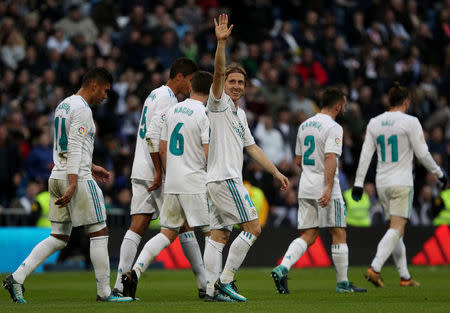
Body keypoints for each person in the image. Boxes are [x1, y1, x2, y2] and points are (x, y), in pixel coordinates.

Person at [2, 68, 133, 303]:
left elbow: (66, 146)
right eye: (105, 90)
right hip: (76, 178)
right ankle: (105, 292)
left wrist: (92, 165)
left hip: (57, 177)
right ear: (94, 85)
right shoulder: (83, 109)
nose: (105, 96)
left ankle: (17, 277)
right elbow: (73, 147)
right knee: (100, 231)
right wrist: (75, 182)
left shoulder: (63, 105)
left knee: (59, 237)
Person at [203, 14, 289, 302]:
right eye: (232, 81)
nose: (237, 86)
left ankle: (211, 287)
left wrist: (276, 172)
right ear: (224, 84)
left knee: (219, 235)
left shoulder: (240, 114)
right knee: (253, 227)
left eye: (241, 82)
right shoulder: (217, 103)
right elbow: (216, 73)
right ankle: (227, 280)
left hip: (217, 180)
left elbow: (252, 148)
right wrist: (221, 44)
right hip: (225, 178)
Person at [113, 58, 206, 297]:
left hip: (140, 168)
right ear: (179, 76)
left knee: (137, 226)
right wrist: (160, 170)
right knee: (182, 225)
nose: (190, 86)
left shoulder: (154, 95)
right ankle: (205, 286)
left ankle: (118, 286)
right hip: (158, 170)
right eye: (189, 80)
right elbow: (154, 136)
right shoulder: (168, 99)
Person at [271, 87, 367, 294]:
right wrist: (329, 186)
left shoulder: (304, 125)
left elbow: (298, 160)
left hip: (306, 184)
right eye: (345, 104)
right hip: (325, 185)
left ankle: (282, 267)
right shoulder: (334, 127)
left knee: (309, 234)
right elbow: (330, 157)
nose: (346, 107)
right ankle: (343, 283)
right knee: (338, 231)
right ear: (338, 106)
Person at [352, 82, 448, 287]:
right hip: (402, 182)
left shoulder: (374, 122)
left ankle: (405, 277)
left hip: (382, 182)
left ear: (389, 100)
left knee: (396, 231)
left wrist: (359, 183)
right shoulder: (411, 121)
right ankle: (375, 268)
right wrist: (440, 173)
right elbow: (422, 153)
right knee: (397, 228)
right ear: (406, 101)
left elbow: (366, 154)